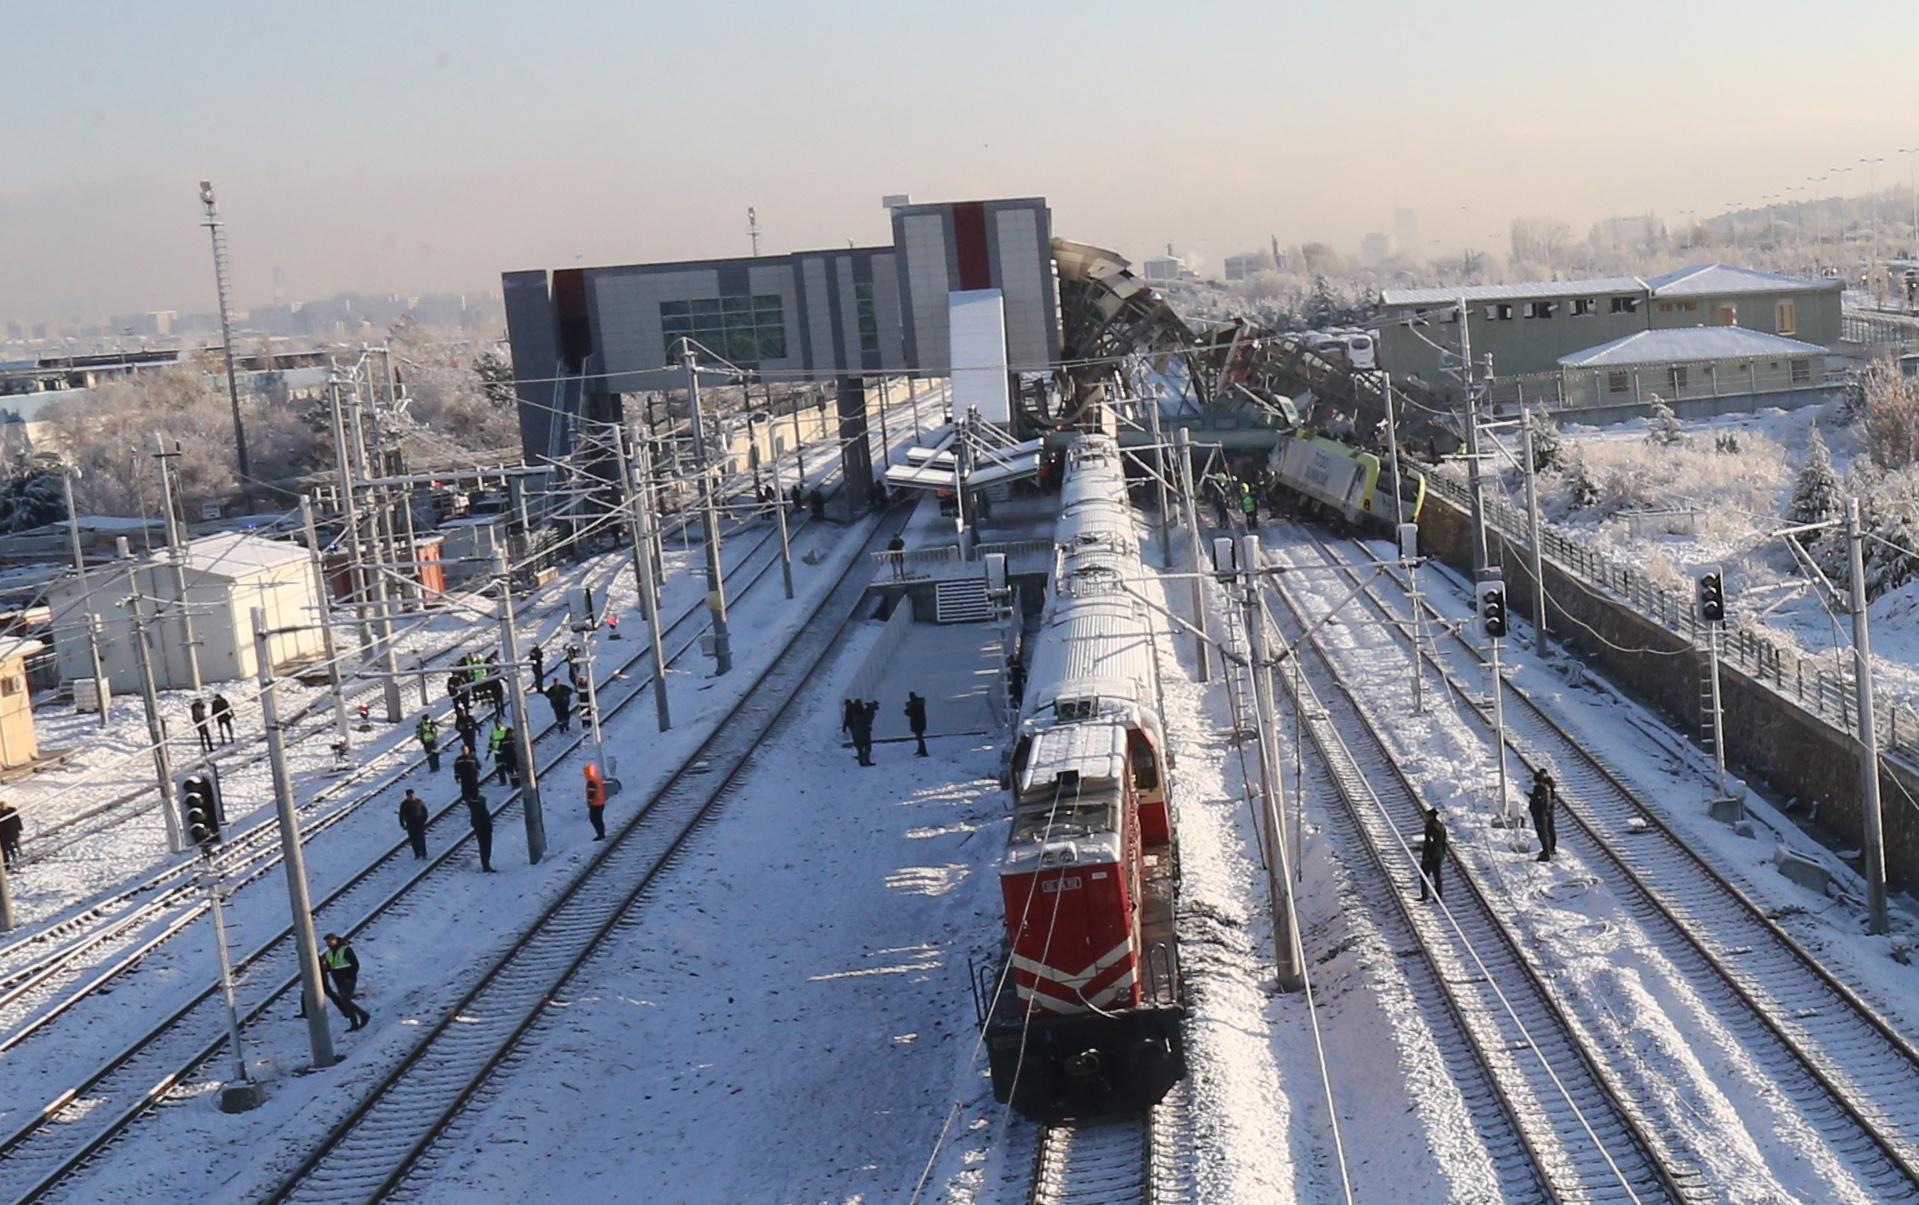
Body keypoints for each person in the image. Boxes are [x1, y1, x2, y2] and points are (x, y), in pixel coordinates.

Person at [320, 933, 372, 1031]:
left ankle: (362, 1016)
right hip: (338, 980)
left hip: (348, 980)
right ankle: (355, 1022)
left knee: (345, 1000)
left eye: (331, 940)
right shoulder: (329, 953)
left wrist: (350, 977)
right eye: (327, 941)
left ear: (335, 939)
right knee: (345, 1002)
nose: (329, 942)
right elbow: (330, 967)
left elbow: (355, 964)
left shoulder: (345, 949)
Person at [1418, 808, 1448, 901]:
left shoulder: (1430, 827)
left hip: (1430, 855)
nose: (1424, 818)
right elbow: (1444, 841)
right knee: (1437, 876)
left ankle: (1425, 895)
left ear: (1430, 817)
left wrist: (1426, 855)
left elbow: (1430, 842)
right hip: (1438, 854)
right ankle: (1439, 895)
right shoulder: (1441, 826)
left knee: (1423, 875)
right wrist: (1443, 852)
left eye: (1426, 816)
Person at [1529, 768, 1559, 862]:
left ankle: (1546, 853)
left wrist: (1533, 802)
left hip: (1541, 815)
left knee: (1543, 833)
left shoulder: (1540, 789)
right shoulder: (1550, 787)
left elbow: (1539, 803)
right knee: (1550, 831)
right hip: (1548, 813)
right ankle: (1551, 849)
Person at [465, 793, 495, 872]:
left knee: (484, 848)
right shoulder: (480, 809)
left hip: (482, 831)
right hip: (484, 831)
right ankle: (486, 865)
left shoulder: (475, 809)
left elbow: (473, 822)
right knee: (485, 848)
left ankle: (485, 864)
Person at [398, 788, 429, 859]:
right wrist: (402, 823)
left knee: (421, 839)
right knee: (413, 840)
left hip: (419, 823)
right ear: (407, 796)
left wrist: (424, 820)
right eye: (410, 796)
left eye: (412, 795)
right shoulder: (404, 804)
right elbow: (401, 814)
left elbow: (425, 811)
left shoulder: (419, 802)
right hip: (410, 824)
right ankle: (417, 854)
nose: (411, 797)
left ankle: (424, 853)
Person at [848, 699, 878, 767]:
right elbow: (868, 719)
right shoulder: (861, 711)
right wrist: (870, 709)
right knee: (867, 746)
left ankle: (861, 762)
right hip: (864, 731)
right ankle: (866, 761)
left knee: (860, 747)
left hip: (857, 731)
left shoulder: (854, 711)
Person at [584, 762, 608, 840]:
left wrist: (589, 801)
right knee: (599, 819)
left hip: (595, 803)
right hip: (601, 802)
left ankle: (600, 834)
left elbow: (591, 792)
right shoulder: (597, 778)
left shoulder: (591, 781)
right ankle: (601, 833)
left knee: (594, 819)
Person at [904, 691, 929, 758]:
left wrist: (906, 710)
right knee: (919, 738)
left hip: (917, 723)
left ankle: (923, 752)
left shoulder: (914, 705)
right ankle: (921, 750)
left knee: (920, 738)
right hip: (920, 723)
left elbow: (910, 713)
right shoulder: (919, 704)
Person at [0, 800, 21, 868]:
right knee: (7, 848)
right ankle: (8, 863)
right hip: (4, 834)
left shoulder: (12, 810)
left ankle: (18, 853)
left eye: (4, 805)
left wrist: (19, 826)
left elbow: (17, 819)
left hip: (13, 830)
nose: (3, 807)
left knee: (16, 843)